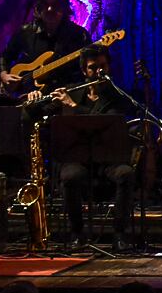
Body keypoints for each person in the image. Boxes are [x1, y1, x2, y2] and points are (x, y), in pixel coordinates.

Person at [46, 45, 136, 250]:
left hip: (108, 162)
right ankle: (77, 234)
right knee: (69, 176)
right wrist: (36, 99)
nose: (99, 72)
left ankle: (119, 235)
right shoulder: (72, 92)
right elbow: (40, 113)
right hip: (78, 159)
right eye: (93, 68)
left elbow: (102, 120)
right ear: (84, 71)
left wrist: (74, 108)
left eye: (103, 66)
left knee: (126, 174)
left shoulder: (117, 96)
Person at [0, 0, 91, 94]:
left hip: (66, 95)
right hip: (26, 96)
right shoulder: (26, 31)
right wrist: (4, 75)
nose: (50, 9)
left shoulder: (79, 35)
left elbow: (88, 69)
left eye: (56, 5)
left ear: (64, 7)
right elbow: (5, 56)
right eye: (45, 4)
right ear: (38, 7)